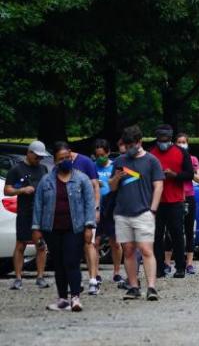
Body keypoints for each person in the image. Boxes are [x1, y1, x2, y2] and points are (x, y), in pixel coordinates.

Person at [31, 143, 97, 312]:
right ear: (55, 161)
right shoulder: (46, 181)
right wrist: (36, 228)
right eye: (61, 159)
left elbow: (89, 204)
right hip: (51, 228)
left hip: (75, 228)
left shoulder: (82, 179)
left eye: (68, 158)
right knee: (58, 264)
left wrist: (89, 226)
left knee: (71, 261)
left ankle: (75, 297)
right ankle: (62, 299)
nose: (65, 161)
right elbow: (38, 205)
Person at [110, 126, 164, 300]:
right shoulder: (119, 161)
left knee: (146, 249)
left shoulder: (151, 161)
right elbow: (111, 187)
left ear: (140, 142)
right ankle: (133, 286)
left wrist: (153, 209)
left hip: (143, 211)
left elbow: (159, 186)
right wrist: (116, 179)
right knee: (128, 250)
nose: (130, 147)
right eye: (127, 144)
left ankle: (151, 286)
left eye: (133, 144)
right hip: (122, 212)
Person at [5, 140, 51, 291]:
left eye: (41, 157)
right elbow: (8, 190)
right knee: (21, 244)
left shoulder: (43, 169)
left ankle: (40, 276)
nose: (39, 160)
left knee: (41, 244)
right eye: (37, 156)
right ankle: (18, 277)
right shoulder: (17, 170)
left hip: (41, 212)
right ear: (29, 153)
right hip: (25, 212)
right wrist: (22, 190)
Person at [149, 125, 193, 279]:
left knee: (177, 235)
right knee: (156, 236)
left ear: (170, 138)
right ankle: (159, 268)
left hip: (175, 201)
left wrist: (175, 175)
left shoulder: (181, 152)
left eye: (166, 139)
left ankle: (180, 267)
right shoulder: (151, 153)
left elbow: (189, 174)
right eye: (160, 139)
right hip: (156, 201)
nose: (163, 142)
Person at [60, 144, 100, 292]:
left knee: (89, 244)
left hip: (85, 211)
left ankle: (93, 279)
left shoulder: (86, 162)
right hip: (69, 213)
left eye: (65, 156)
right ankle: (76, 280)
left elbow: (95, 185)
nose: (63, 160)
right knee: (72, 247)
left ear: (70, 152)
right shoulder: (58, 166)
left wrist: (96, 208)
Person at [93, 140, 123, 287]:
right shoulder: (92, 167)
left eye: (103, 155)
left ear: (108, 153)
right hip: (96, 207)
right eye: (97, 155)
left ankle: (117, 272)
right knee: (95, 242)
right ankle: (95, 273)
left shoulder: (114, 166)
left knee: (115, 242)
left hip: (112, 207)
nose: (100, 158)